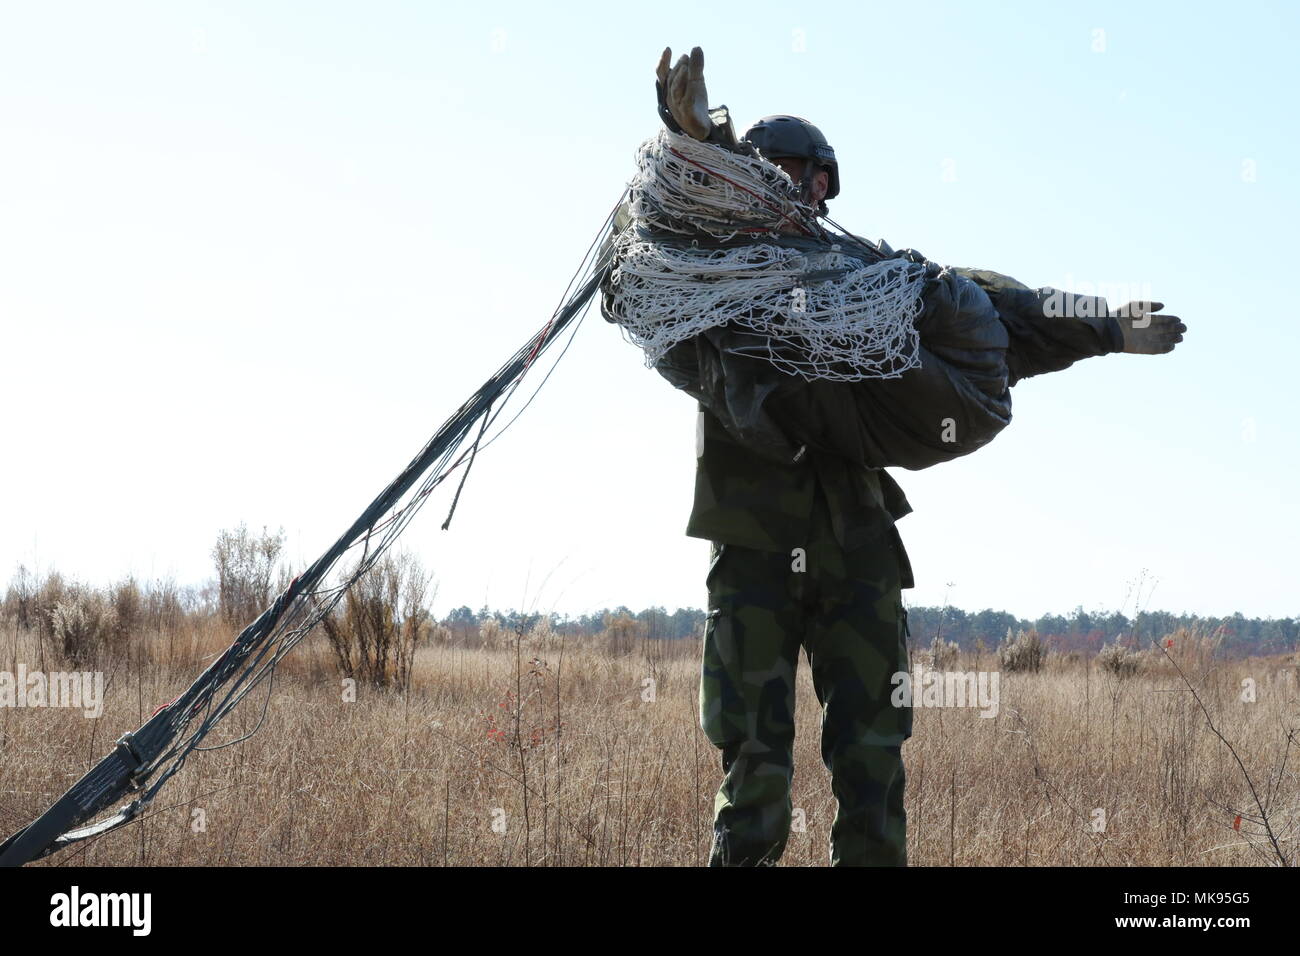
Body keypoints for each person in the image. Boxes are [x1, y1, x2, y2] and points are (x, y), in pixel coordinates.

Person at [624, 46, 1185, 866]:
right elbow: (662, 238)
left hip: (857, 545)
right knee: (752, 769)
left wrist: (1107, 325)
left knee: (872, 758)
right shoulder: (712, 278)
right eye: (780, 171)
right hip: (751, 546)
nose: (801, 188)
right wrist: (696, 134)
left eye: (814, 176)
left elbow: (1010, 312)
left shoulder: (876, 282)